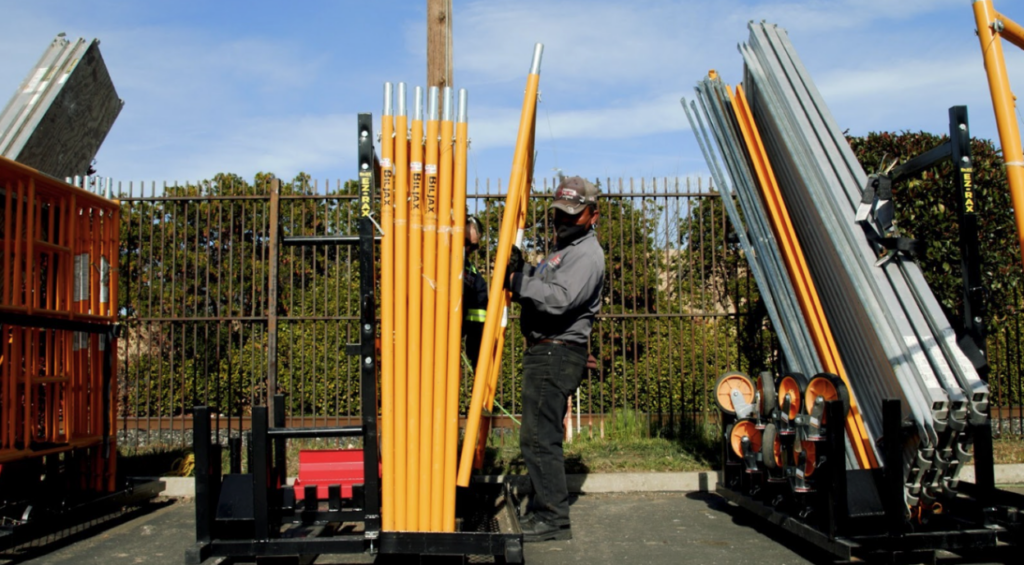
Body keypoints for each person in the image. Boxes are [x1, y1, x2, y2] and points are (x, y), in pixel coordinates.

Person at [504, 175, 604, 542]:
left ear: (593, 215)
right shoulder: (565, 249)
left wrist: (518, 281)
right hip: (548, 351)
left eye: (573, 214)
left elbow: (559, 298)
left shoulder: (587, 254)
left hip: (556, 352)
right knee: (535, 435)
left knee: (539, 437)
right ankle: (547, 509)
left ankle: (551, 517)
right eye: (559, 213)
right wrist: (525, 270)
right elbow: (546, 284)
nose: (563, 220)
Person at [463, 215, 488, 369]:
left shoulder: (471, 275)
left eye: (473, 247)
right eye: (466, 243)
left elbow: (479, 316)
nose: (468, 250)